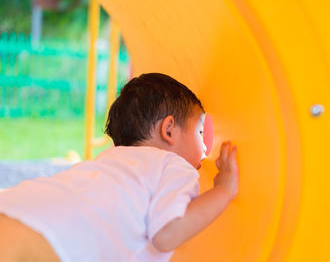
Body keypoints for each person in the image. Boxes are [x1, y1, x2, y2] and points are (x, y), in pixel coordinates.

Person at [0, 73, 239, 262]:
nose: (205, 150)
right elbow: (167, 234)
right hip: (55, 238)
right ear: (168, 130)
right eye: (199, 132)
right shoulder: (173, 165)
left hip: (21, 206)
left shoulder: (111, 161)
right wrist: (223, 190)